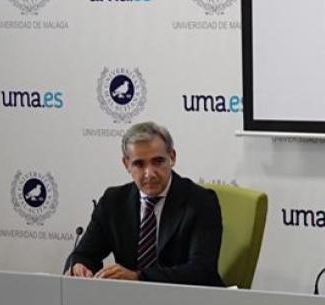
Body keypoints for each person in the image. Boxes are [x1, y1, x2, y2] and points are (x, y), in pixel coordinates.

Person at [66, 121, 224, 286]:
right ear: (126, 164)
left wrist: (139, 277)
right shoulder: (113, 201)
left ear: (172, 157)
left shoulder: (201, 201)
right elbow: (83, 254)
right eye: (139, 164)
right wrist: (79, 267)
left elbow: (202, 270)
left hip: (186, 301)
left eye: (158, 162)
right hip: (128, 303)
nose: (149, 174)